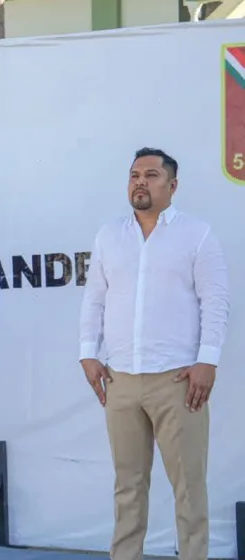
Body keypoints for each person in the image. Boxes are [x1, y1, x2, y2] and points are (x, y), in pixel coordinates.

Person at [78, 148, 228, 560]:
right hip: (120, 379)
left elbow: (215, 300)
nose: (140, 182)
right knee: (127, 486)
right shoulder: (109, 235)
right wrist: (88, 352)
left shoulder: (196, 234)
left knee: (189, 487)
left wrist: (207, 361)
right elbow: (94, 298)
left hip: (178, 381)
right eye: (134, 175)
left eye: (151, 175)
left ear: (172, 185)